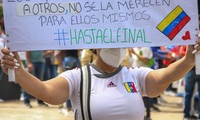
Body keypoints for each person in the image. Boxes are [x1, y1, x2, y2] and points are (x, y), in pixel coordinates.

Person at [1, 44, 200, 119]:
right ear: (95, 46)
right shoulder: (79, 77)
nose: (117, 47)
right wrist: (19, 72)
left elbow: (165, 76)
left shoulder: (134, 75)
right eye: (111, 42)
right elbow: (46, 92)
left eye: (122, 42)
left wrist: (188, 59)